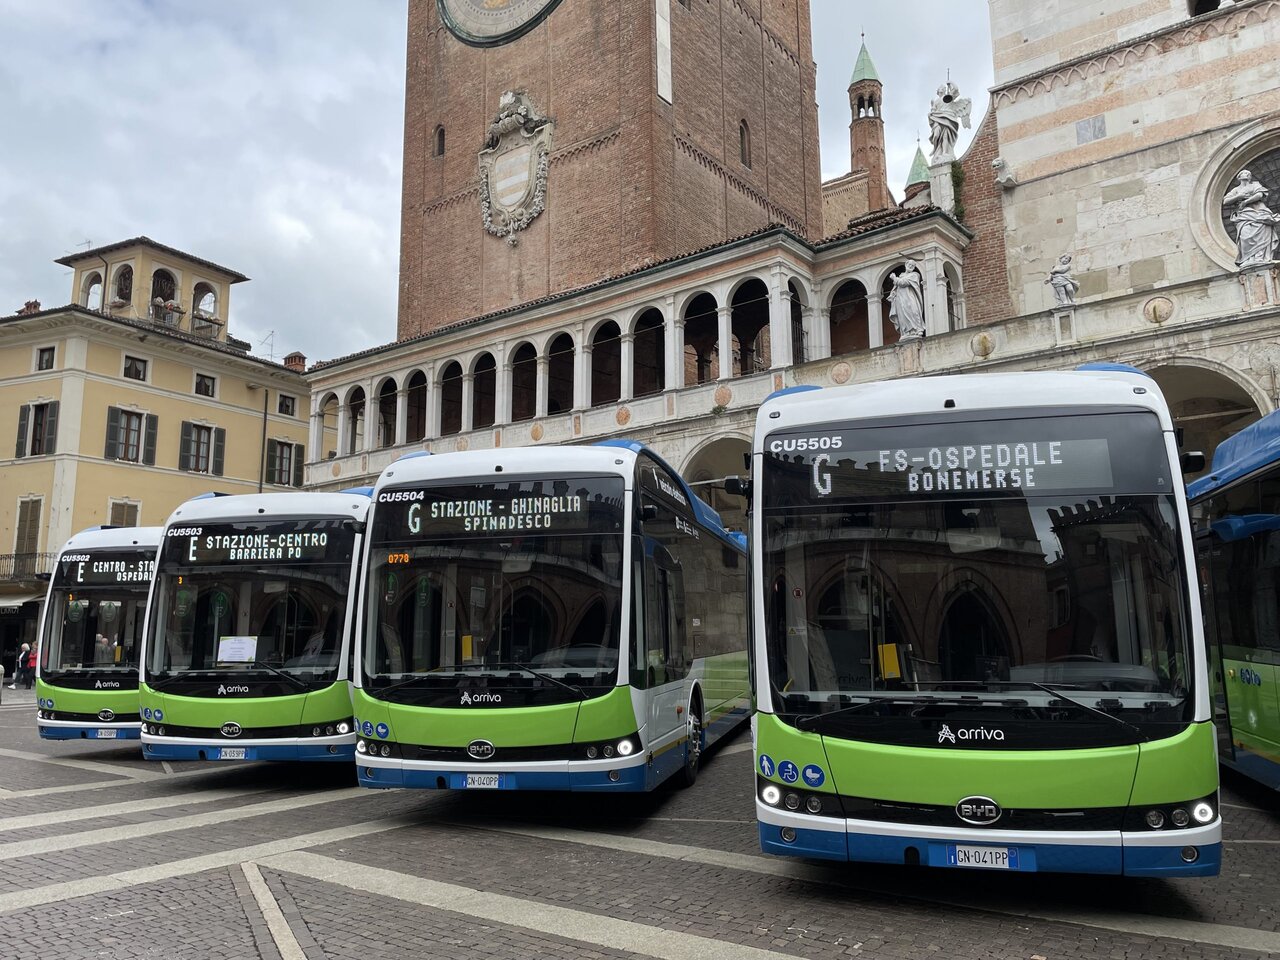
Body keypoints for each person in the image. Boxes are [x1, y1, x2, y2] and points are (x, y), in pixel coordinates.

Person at [1223, 169, 1280, 267]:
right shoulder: (1236, 190)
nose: (1246, 174)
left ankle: (1260, 257)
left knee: (1262, 235)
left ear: (1250, 177)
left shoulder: (1255, 185)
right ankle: (1248, 259)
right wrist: (1238, 197)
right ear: (1239, 177)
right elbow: (1225, 201)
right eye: (1243, 173)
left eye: (1248, 174)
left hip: (1259, 212)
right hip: (1244, 216)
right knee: (1245, 236)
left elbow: (1259, 194)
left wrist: (1246, 201)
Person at [887, 261, 926, 340]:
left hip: (909, 297)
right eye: (909, 265)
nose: (911, 266)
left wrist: (894, 278)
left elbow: (903, 283)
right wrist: (893, 295)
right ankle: (906, 332)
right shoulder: (901, 276)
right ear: (906, 265)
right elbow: (896, 288)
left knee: (913, 312)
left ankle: (916, 330)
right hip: (900, 299)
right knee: (902, 315)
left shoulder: (915, 275)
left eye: (913, 266)